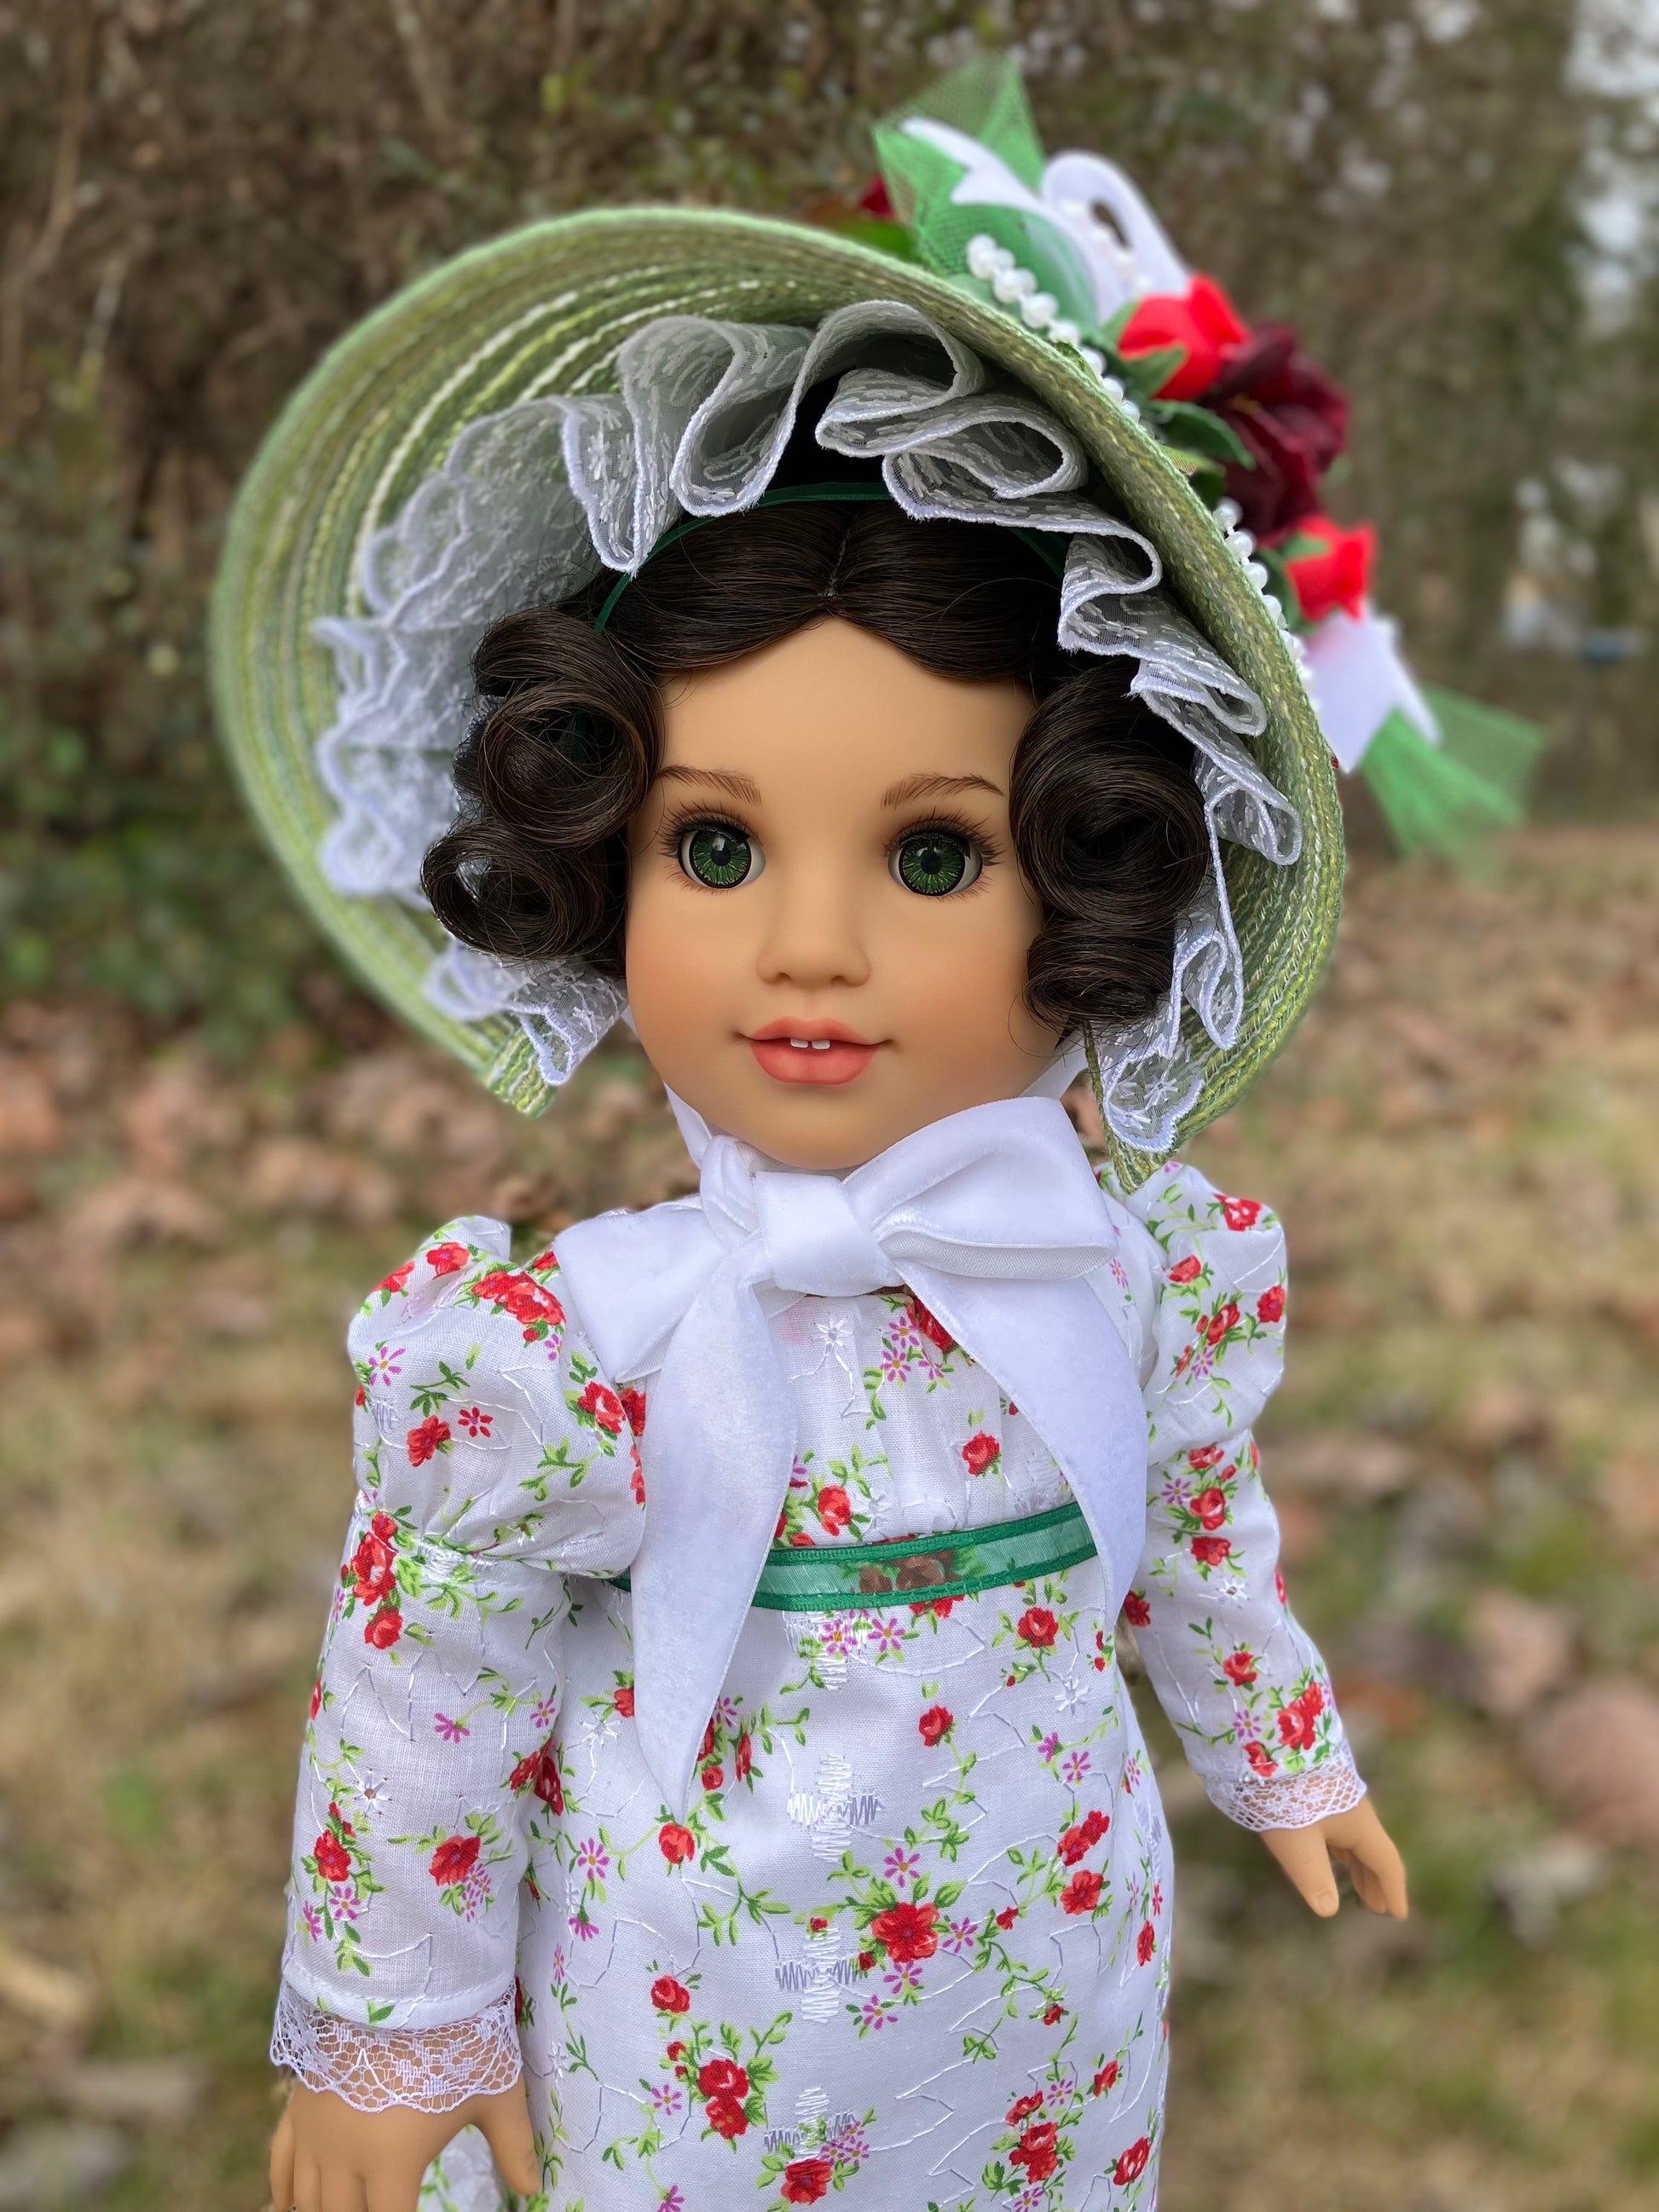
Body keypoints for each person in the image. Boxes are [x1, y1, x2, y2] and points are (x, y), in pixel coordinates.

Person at [212, 66, 1406, 2212]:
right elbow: (423, 1703)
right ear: (598, 847)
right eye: (717, 845)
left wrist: (1277, 1746)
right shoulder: (565, 1353)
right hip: (684, 2019)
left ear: (1092, 871)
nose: (811, 946)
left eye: (936, 858)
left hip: (1040, 1987)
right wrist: (396, 2026)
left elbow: (1192, 1535)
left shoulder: (1130, 1270)